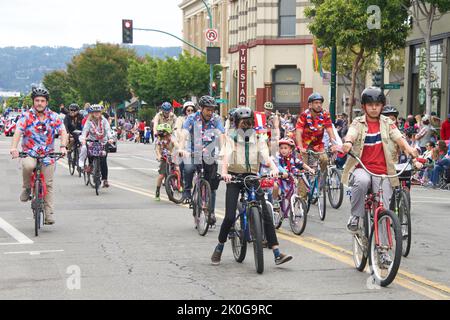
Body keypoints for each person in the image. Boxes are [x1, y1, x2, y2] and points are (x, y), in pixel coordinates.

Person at [212, 107, 293, 266]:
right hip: (234, 177)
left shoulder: (258, 138)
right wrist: (224, 173)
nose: (246, 126)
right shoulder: (230, 138)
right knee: (229, 217)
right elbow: (226, 157)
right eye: (243, 123)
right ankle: (220, 246)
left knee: (266, 214)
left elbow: (265, 155)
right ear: (236, 123)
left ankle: (277, 252)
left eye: (249, 123)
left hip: (252, 177)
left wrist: (274, 169)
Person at [340, 87, 419, 232]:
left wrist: (410, 150)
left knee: (383, 211)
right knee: (362, 181)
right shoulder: (358, 122)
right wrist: (348, 142)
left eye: (377, 104)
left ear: (382, 106)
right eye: (370, 105)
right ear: (364, 106)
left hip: (384, 172)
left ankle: (382, 250)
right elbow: (351, 133)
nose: (374, 108)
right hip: (361, 168)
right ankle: (355, 216)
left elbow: (399, 138)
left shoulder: (388, 122)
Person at [10, 87, 68, 225]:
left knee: (48, 183)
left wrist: (63, 146)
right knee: (28, 165)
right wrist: (14, 148)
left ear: (47, 102)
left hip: (48, 154)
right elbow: (18, 132)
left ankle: (49, 214)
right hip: (29, 152)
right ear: (33, 101)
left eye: (42, 101)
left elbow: (63, 132)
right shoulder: (25, 116)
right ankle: (27, 188)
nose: (39, 103)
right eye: (37, 100)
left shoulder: (54, 116)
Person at [179, 95, 225, 225]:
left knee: (213, 184)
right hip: (194, 152)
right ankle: (187, 192)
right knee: (188, 168)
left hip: (209, 153)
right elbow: (184, 134)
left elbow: (221, 134)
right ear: (201, 108)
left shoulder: (216, 119)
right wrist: (182, 148)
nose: (210, 113)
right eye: (208, 110)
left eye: (212, 110)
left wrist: (222, 150)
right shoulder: (192, 118)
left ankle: (211, 212)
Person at [295, 92, 338, 199]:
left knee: (324, 160)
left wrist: (335, 145)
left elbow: (330, 131)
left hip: (318, 145)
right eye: (316, 103)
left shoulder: (325, 115)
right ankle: (302, 197)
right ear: (310, 105)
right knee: (303, 168)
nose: (319, 105)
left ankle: (318, 184)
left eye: (320, 103)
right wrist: (300, 147)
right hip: (304, 145)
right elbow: (298, 132)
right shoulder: (304, 115)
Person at [272, 138, 315, 211]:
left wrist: (310, 169)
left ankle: (291, 212)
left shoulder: (293, 158)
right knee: (275, 186)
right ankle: (275, 201)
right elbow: (276, 166)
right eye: (281, 148)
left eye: (285, 148)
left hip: (290, 179)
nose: (283, 150)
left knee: (291, 195)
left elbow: (302, 164)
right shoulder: (278, 158)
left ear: (290, 149)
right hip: (280, 178)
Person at [79, 105, 114, 188]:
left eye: (98, 112)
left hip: (103, 141)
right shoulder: (88, 121)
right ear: (91, 113)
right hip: (92, 141)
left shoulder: (104, 120)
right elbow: (84, 131)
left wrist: (110, 138)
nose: (97, 113)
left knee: (103, 160)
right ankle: (91, 165)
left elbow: (108, 130)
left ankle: (105, 179)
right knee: (90, 153)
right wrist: (83, 139)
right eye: (95, 112)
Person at [155, 123, 178, 201]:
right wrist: (158, 156)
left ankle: (179, 183)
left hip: (173, 157)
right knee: (161, 176)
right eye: (162, 135)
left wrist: (179, 149)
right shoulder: (159, 140)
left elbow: (176, 144)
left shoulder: (172, 138)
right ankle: (157, 192)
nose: (164, 137)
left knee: (178, 169)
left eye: (165, 134)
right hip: (164, 159)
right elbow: (157, 149)